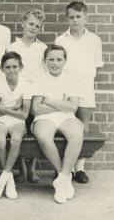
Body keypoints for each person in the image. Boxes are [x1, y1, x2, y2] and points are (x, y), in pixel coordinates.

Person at [55, 1, 103, 184]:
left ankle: (79, 168)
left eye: (78, 17)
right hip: (66, 90)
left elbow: (96, 67)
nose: (74, 20)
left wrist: (84, 82)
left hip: (85, 88)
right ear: (67, 18)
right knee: (65, 124)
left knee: (83, 125)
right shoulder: (61, 40)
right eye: (71, 17)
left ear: (85, 18)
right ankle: (62, 168)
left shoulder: (94, 40)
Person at [31, 45, 84, 204]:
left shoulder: (71, 80)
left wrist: (49, 100)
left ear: (65, 61)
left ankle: (61, 179)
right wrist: (62, 103)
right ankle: (65, 178)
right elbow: (36, 109)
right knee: (43, 136)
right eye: (51, 59)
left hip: (66, 117)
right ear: (45, 61)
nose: (55, 63)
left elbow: (73, 107)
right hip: (45, 117)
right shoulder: (39, 80)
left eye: (59, 59)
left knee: (77, 135)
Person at [8, 9, 47, 183]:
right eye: (30, 24)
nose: (33, 28)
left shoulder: (42, 48)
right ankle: (22, 169)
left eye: (37, 26)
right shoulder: (13, 46)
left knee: (35, 129)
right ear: (23, 23)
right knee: (20, 128)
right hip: (20, 93)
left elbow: (45, 72)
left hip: (37, 94)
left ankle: (32, 170)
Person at [0, 52, 32, 201]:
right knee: (0, 141)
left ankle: (3, 179)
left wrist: (6, 109)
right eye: (7, 67)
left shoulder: (26, 85)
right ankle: (9, 179)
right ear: (2, 69)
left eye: (15, 66)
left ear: (21, 67)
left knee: (15, 140)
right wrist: (16, 109)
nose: (11, 70)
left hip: (17, 122)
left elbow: (25, 115)